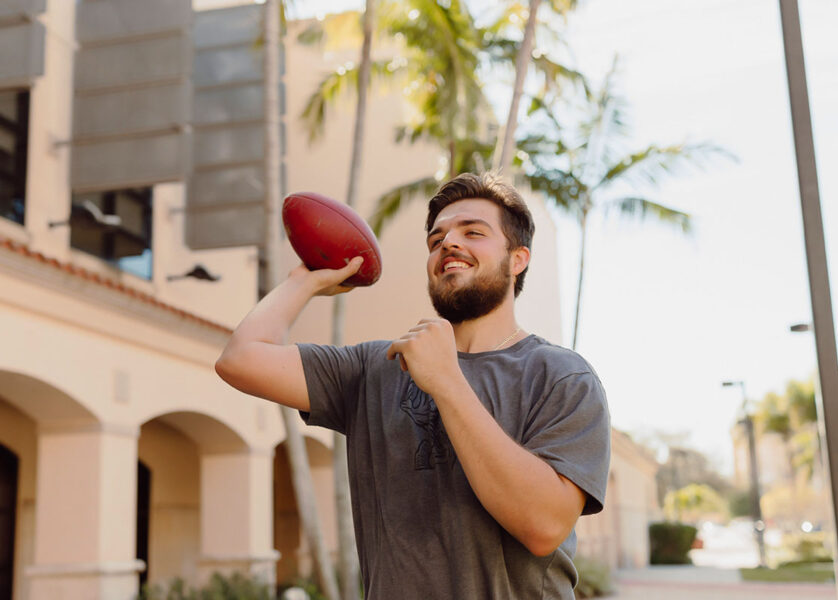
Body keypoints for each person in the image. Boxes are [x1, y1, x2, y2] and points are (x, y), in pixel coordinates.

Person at [216, 172, 610, 599]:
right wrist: (304, 280)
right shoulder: (377, 367)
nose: (448, 244)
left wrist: (446, 381)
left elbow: (543, 526)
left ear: (518, 259)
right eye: (436, 239)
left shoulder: (561, 376)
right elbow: (240, 359)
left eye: (473, 232)